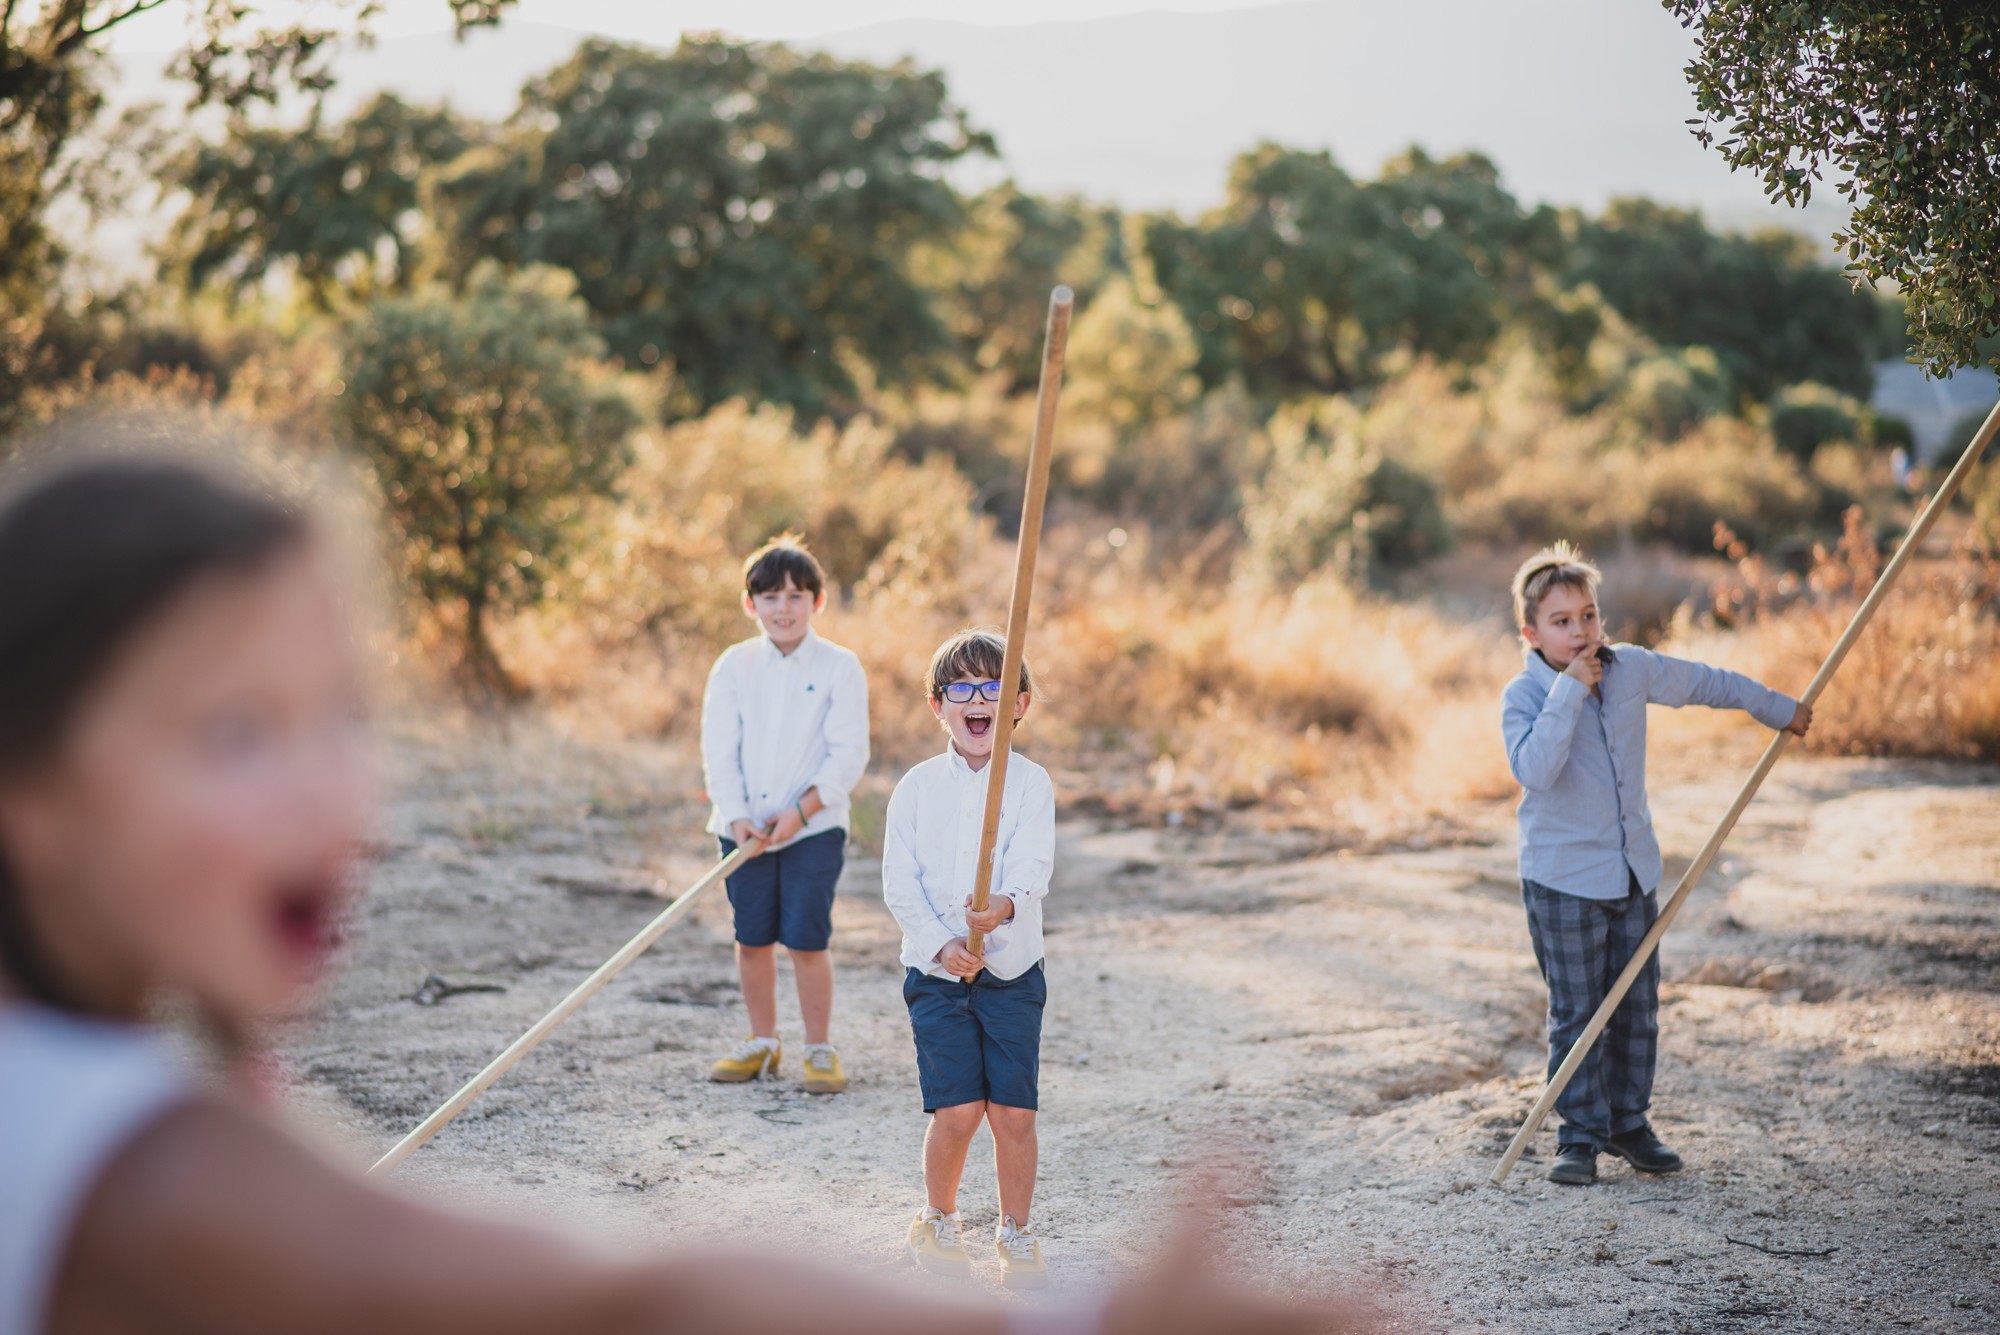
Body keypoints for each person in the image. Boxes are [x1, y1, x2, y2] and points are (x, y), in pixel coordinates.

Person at [0, 448, 1371, 1335]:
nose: (337, 796)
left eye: (345, 718)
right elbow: (640, 1298)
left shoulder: (143, 1101)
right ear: (33, 788)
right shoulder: (139, 1170)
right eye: (236, 731)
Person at [1502, 542, 1813, 1187]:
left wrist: (1776, 708)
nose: (1581, 631)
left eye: (1588, 615)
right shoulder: (1524, 694)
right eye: (1562, 622)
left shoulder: (1632, 669)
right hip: (1562, 880)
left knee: (1638, 1008)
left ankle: (1628, 1123)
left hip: (1632, 873)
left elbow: (1707, 681)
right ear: (1531, 633)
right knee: (1578, 1011)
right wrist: (1567, 692)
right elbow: (1534, 769)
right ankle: (1579, 1137)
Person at [883, 629, 1054, 1288]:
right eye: (962, 688)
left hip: (1013, 971)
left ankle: (1016, 1229)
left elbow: (1035, 862)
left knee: (1012, 1113)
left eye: (995, 687)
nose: (978, 699)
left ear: (1020, 703)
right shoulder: (917, 789)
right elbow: (900, 882)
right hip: (937, 975)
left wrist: (1004, 906)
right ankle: (938, 1215)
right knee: (956, 1112)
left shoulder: (1032, 783)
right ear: (938, 705)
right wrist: (944, 943)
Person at [699, 535, 868, 1094]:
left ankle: (818, 1047)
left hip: (813, 829)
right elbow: (719, 753)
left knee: (805, 939)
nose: (783, 608)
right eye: (770, 596)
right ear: (751, 604)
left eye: (796, 595)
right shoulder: (734, 666)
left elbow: (848, 755)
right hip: (744, 829)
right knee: (752, 937)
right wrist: (739, 815)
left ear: (817, 601)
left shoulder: (840, 666)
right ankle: (762, 1041)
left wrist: (800, 812)